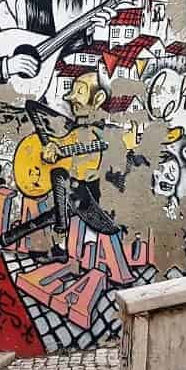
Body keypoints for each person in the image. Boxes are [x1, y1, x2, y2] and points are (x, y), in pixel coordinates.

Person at [19, 72, 123, 263]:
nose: (70, 97)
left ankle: (59, 244)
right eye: (72, 90)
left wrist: (61, 151)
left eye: (80, 91)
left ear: (99, 98)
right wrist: (47, 143)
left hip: (103, 213)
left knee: (60, 174)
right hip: (79, 199)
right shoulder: (73, 130)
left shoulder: (110, 133)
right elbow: (32, 106)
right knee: (51, 209)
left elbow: (98, 145)